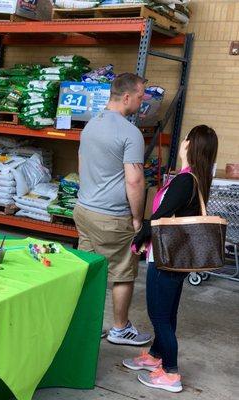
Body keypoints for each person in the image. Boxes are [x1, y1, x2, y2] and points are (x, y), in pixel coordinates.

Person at [123, 125, 218, 393]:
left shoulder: (186, 181)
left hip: (166, 260)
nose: (182, 142)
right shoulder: (192, 178)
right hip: (173, 259)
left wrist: (138, 238)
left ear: (189, 145)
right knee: (167, 313)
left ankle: (172, 373)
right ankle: (156, 356)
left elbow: (158, 219)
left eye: (186, 138)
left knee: (159, 316)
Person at [73, 72, 151, 345]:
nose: (143, 102)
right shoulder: (130, 133)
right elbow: (135, 180)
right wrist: (138, 220)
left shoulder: (91, 125)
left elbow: (82, 165)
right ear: (127, 97)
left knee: (90, 269)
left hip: (84, 210)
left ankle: (88, 324)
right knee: (123, 272)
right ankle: (120, 329)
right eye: (141, 96)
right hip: (113, 217)